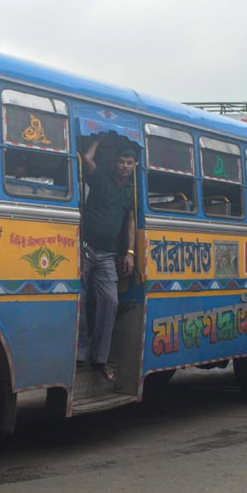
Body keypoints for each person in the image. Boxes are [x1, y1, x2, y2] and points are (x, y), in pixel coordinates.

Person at [77, 136, 137, 382]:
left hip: (107, 256)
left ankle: (99, 359)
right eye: (121, 161)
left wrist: (130, 253)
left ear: (135, 166)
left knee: (110, 302)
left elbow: (130, 223)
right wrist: (99, 139)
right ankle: (79, 353)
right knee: (78, 299)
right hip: (84, 250)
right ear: (114, 164)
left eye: (129, 162)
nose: (124, 166)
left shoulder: (130, 192)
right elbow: (87, 159)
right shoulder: (101, 178)